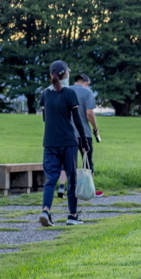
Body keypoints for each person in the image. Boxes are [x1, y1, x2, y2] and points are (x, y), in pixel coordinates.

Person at [38, 60, 90, 227]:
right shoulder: (69, 94)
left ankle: (46, 210)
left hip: (50, 142)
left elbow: (45, 118)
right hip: (68, 142)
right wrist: (83, 141)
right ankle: (72, 215)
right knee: (72, 179)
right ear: (65, 74)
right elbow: (77, 121)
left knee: (51, 179)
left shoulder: (45, 94)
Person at [72, 73, 103, 195]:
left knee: (69, 162)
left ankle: (68, 189)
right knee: (88, 162)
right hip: (83, 133)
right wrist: (95, 128)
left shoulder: (65, 90)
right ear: (87, 83)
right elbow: (89, 113)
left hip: (67, 133)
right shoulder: (87, 92)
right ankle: (89, 190)